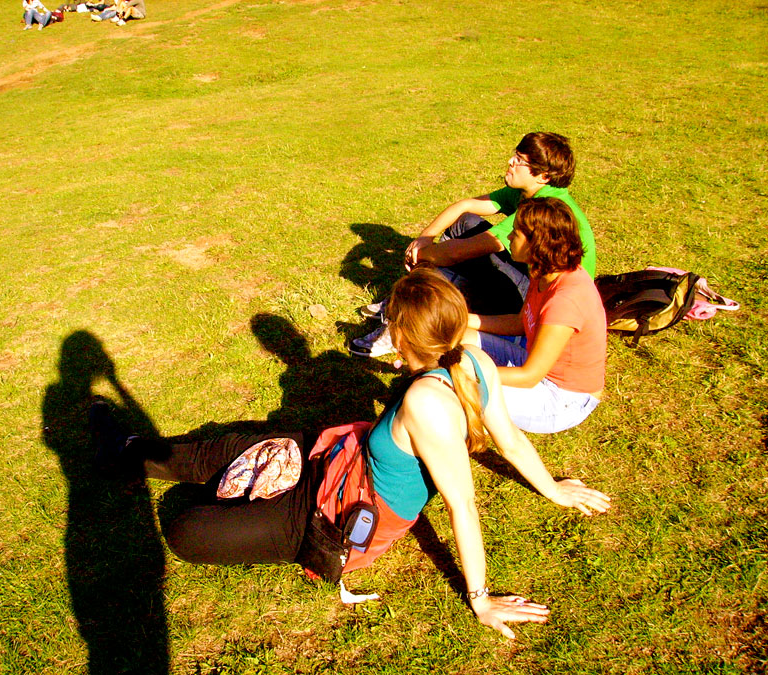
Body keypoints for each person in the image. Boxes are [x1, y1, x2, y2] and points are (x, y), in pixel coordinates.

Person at [92, 267, 610, 640]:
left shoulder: (428, 403)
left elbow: (463, 506)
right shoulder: (474, 358)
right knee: (231, 447)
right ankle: (130, 450)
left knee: (186, 530)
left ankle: (230, 492)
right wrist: (554, 489)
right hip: (342, 460)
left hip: (337, 513)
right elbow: (511, 441)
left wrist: (481, 600)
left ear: (402, 334)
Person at [349, 132, 596, 358]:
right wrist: (425, 237)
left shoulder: (542, 211)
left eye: (520, 160)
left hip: (540, 302)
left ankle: (405, 321)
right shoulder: (527, 191)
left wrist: (422, 255)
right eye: (515, 154)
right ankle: (409, 302)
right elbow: (465, 206)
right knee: (465, 224)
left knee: (451, 264)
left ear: (543, 176)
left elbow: (459, 252)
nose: (511, 161)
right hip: (533, 278)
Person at [464, 198, 607, 434]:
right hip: (534, 364)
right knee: (461, 338)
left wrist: (467, 373)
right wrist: (463, 320)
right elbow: (519, 323)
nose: (509, 236)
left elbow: (529, 376)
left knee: (463, 388)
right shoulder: (544, 272)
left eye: (516, 232)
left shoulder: (565, 300)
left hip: (562, 398)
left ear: (536, 243)